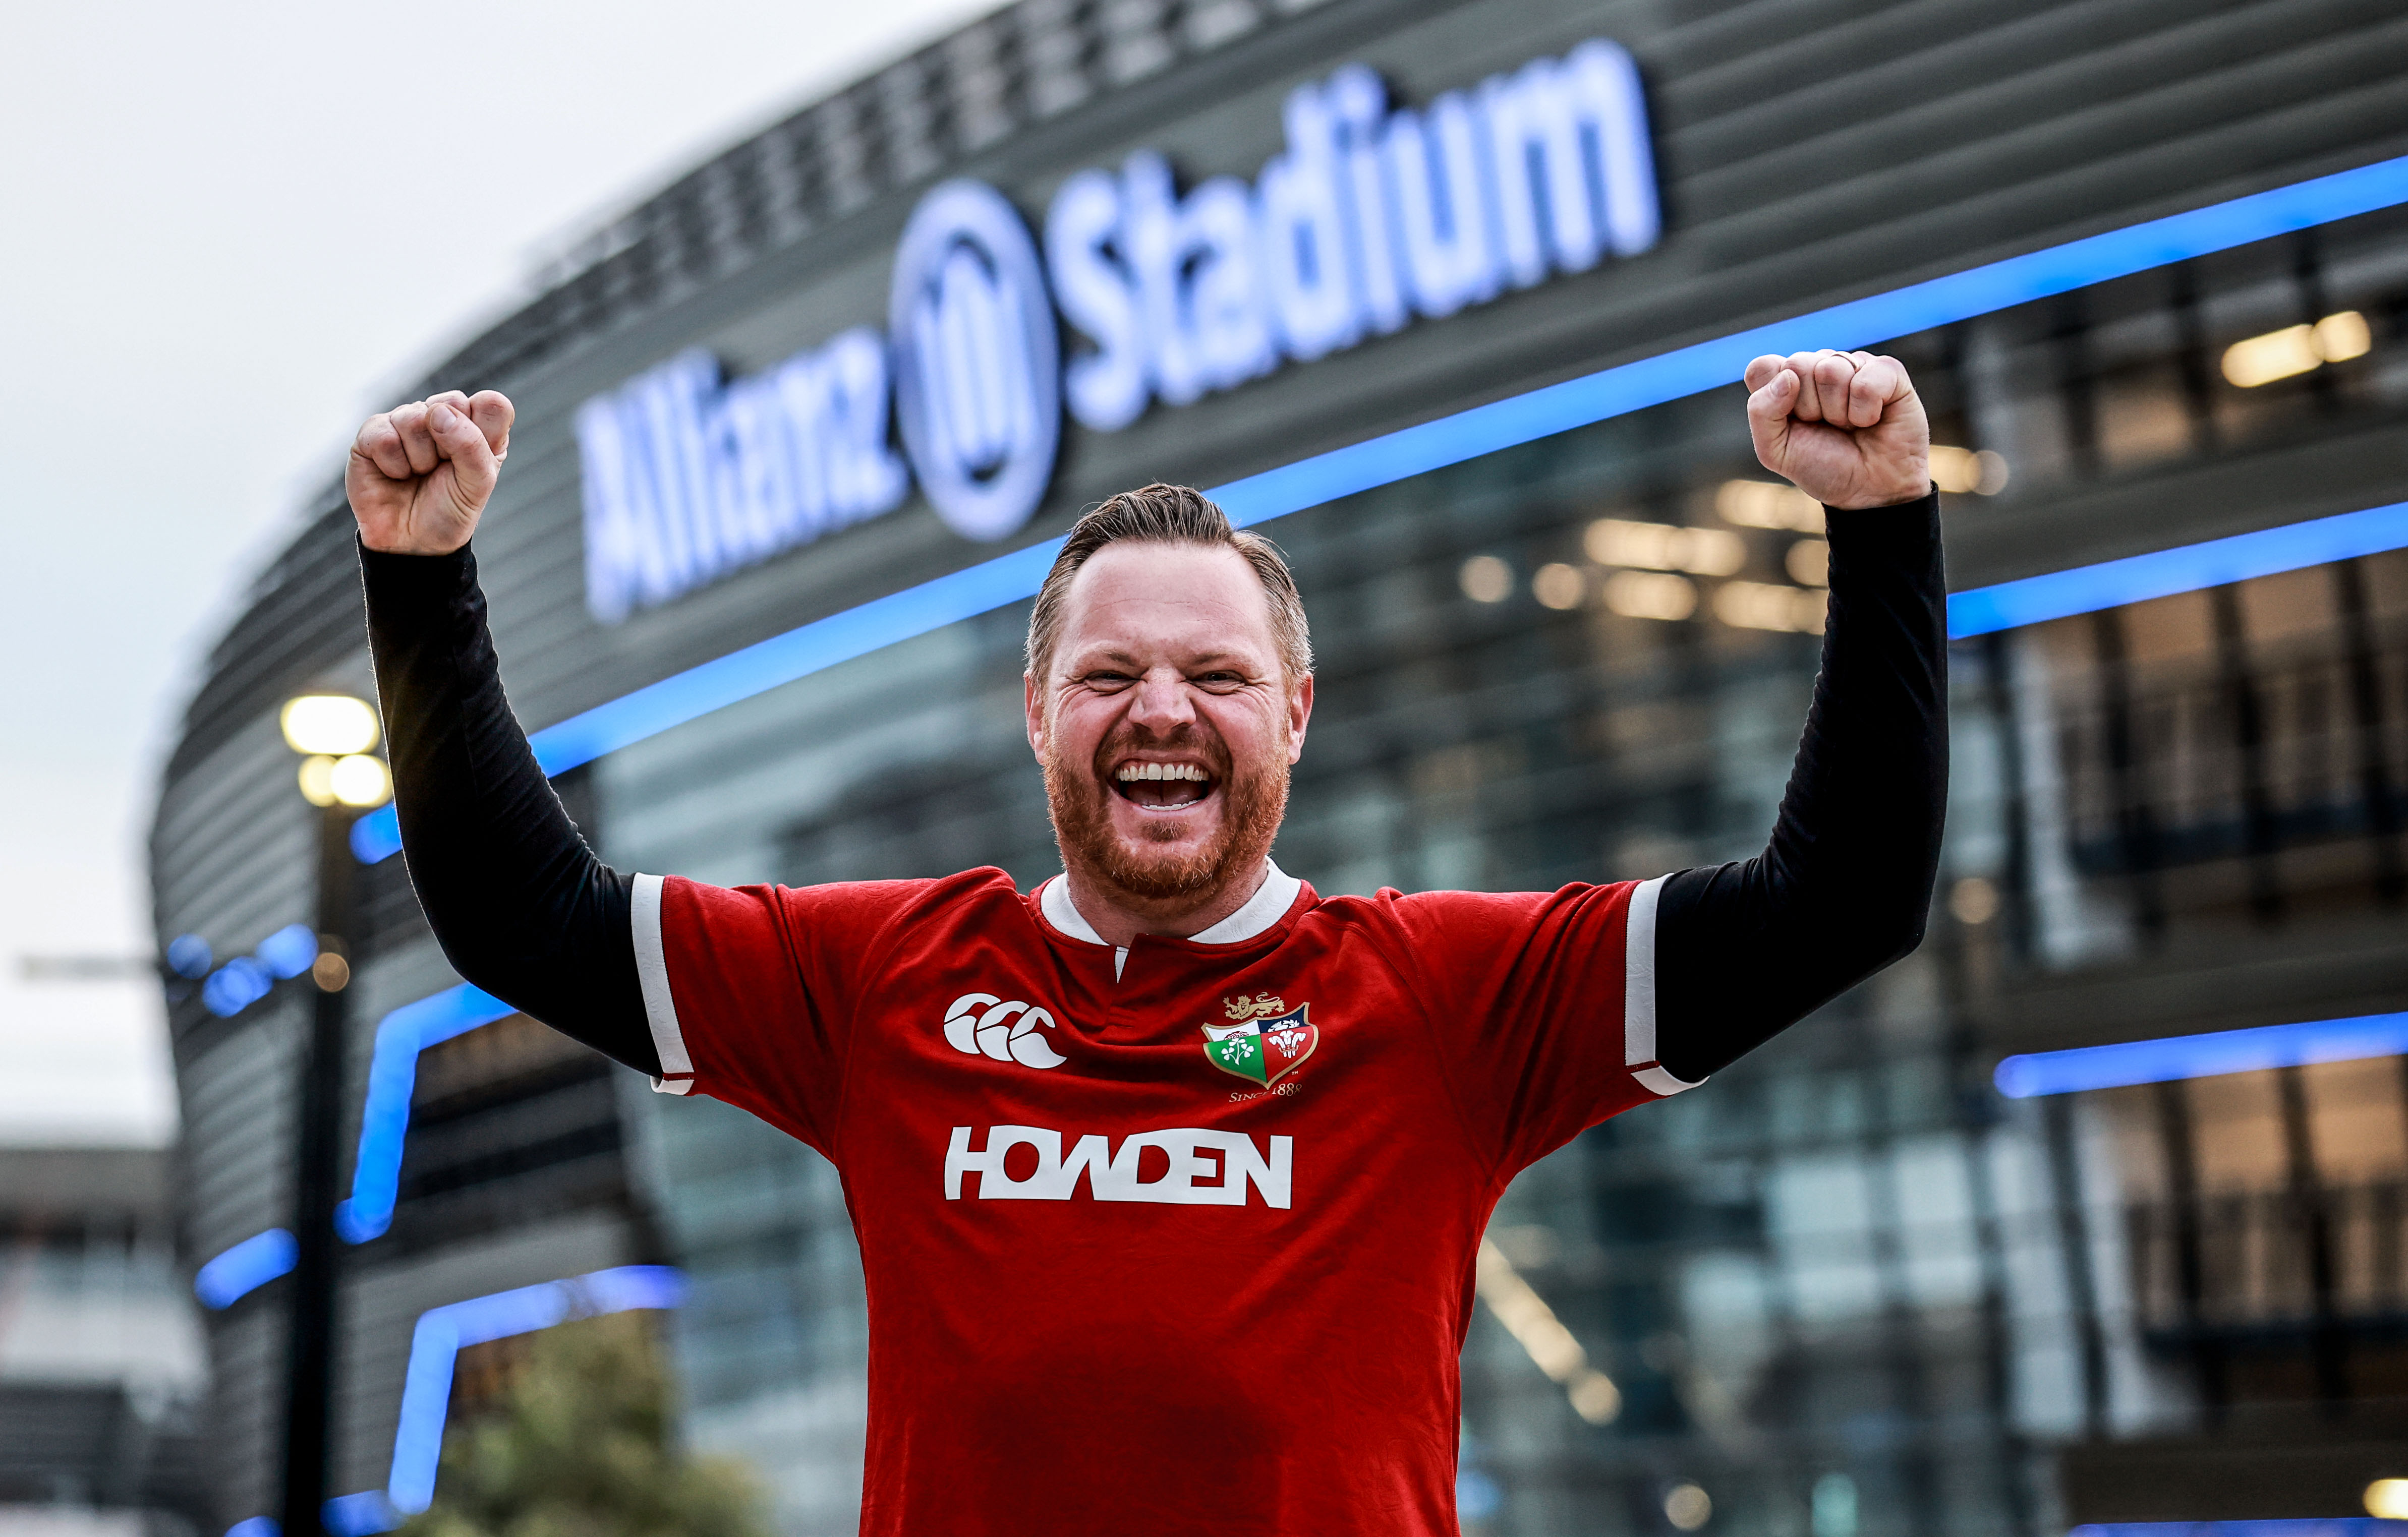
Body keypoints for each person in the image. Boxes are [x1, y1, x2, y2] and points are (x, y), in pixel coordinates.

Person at [348, 348, 1944, 1536]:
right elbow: (527, 920)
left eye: (1219, 677)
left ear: (1295, 717)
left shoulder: (1445, 996)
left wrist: (1879, 528)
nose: (1163, 710)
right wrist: (420, 585)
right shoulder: (881, 979)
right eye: (1110, 676)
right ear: (1038, 714)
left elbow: (1842, 904)